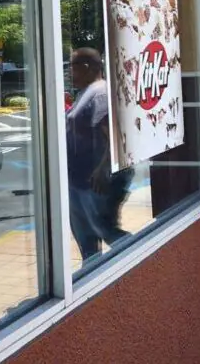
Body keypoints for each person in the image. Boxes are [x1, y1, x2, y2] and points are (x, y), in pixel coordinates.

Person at [65, 47, 133, 261]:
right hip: (79, 182)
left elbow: (113, 134)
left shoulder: (100, 93)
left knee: (107, 230)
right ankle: (91, 277)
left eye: (71, 67)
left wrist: (104, 168)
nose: (69, 73)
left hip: (94, 183)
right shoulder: (87, 92)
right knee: (87, 240)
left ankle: (140, 258)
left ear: (86, 68)